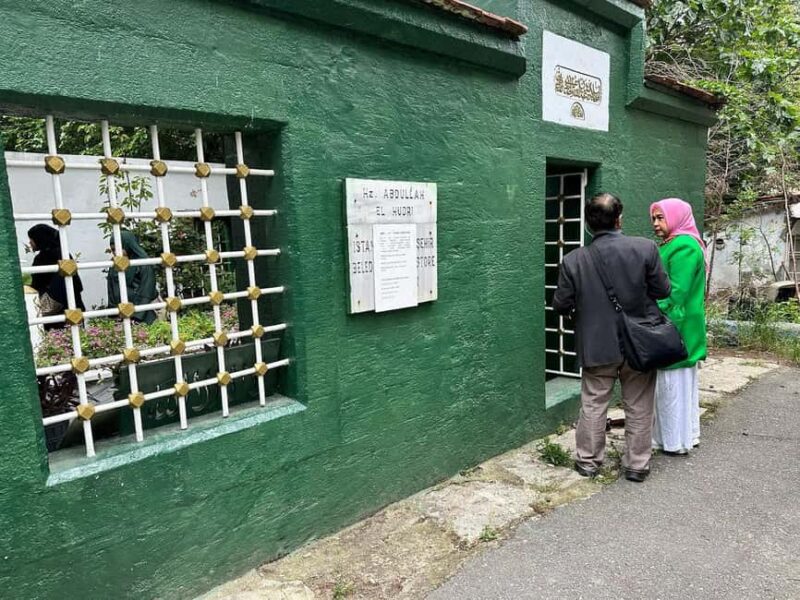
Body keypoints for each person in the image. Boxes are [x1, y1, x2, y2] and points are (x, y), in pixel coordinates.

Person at [552, 193, 671, 483]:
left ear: (588, 223)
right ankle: (636, 465)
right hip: (640, 343)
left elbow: (561, 304)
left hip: (596, 344)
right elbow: (663, 290)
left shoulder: (573, 260)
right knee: (639, 404)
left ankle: (588, 462)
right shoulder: (645, 249)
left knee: (593, 403)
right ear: (619, 219)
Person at [650, 198, 707, 455]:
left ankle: (674, 441)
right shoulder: (674, 243)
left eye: (661, 217)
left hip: (677, 322)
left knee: (672, 384)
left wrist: (648, 308)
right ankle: (683, 436)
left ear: (676, 217)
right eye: (654, 218)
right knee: (675, 384)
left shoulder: (684, 246)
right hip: (676, 320)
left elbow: (676, 292)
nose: (655, 223)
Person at [28, 224, 85, 329]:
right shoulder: (63, 253)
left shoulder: (44, 258)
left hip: (54, 309)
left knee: (56, 335)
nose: (30, 242)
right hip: (72, 305)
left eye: (31, 239)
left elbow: (38, 283)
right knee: (73, 334)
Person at [107, 230, 158, 324]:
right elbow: (111, 290)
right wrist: (114, 313)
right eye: (113, 250)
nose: (116, 253)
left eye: (119, 249)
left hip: (143, 313)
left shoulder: (143, 263)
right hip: (122, 313)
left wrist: (137, 317)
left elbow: (146, 291)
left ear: (128, 246)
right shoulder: (114, 265)